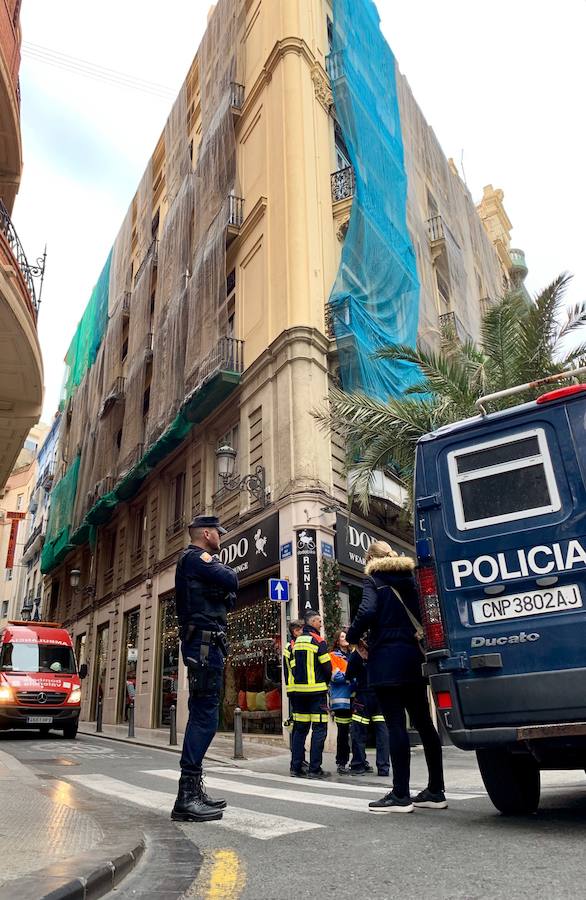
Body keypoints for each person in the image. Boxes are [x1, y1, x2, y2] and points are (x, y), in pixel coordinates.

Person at [346, 540, 446, 814]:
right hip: (413, 657)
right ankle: (436, 791)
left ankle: (401, 794)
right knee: (425, 723)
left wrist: (354, 638)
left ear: (370, 559)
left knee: (395, 726)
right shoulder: (410, 577)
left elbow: (367, 611)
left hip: (386, 660)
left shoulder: (373, 579)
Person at [171, 514, 238, 823]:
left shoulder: (196, 563)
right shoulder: (196, 558)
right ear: (208, 534)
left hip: (206, 645)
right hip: (203, 645)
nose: (221, 538)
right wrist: (222, 586)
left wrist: (222, 591)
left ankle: (193, 792)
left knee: (204, 712)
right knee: (205, 716)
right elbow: (231, 581)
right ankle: (187, 797)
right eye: (218, 533)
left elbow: (230, 597)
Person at [290, 609, 332, 779]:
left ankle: (296, 767)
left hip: (299, 693)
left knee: (300, 730)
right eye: (319, 621)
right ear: (313, 622)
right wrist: (326, 683)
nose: (321, 624)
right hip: (317, 692)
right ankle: (315, 769)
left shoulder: (297, 641)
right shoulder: (318, 641)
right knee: (319, 729)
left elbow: (293, 667)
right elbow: (327, 667)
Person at [346, 639, 390, 777]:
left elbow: (349, 675)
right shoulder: (382, 650)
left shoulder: (356, 655)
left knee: (358, 731)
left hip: (363, 695)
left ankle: (358, 764)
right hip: (381, 694)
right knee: (382, 731)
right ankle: (383, 767)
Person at [283, 619, 309, 775]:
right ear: (295, 632)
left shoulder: (289, 646)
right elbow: (296, 667)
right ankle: (297, 762)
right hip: (297, 690)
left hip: (293, 690)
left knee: (298, 727)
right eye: (300, 630)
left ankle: (298, 759)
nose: (303, 633)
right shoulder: (293, 647)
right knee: (300, 727)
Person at [329, 629, 353, 775]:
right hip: (341, 700)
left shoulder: (353, 655)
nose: (345, 639)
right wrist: (351, 674)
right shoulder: (333, 656)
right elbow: (336, 677)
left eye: (346, 636)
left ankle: (358, 761)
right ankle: (341, 762)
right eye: (342, 637)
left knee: (356, 733)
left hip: (354, 698)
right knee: (343, 733)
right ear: (337, 641)